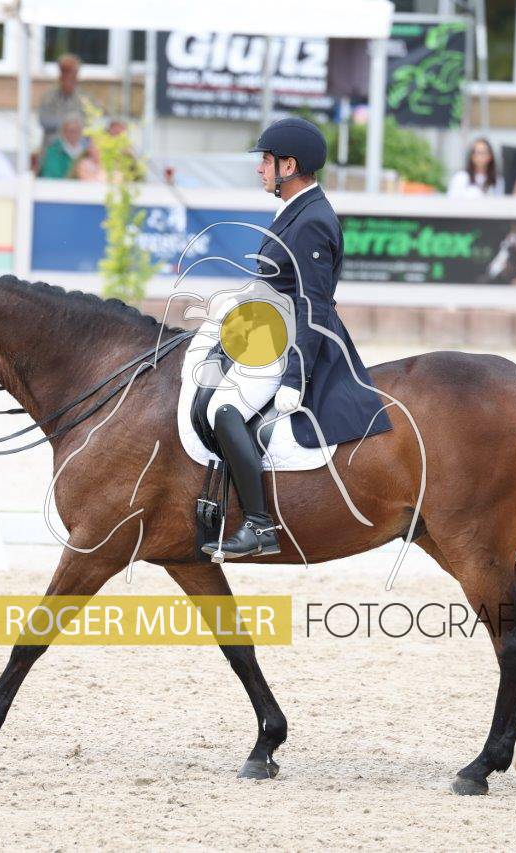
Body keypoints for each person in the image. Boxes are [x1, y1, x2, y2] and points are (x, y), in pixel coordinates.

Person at [201, 117, 392, 560]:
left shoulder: (312, 222)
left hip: (294, 344)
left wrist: (294, 377)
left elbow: (312, 304)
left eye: (266, 161)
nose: (260, 169)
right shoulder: (295, 210)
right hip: (269, 332)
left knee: (225, 409)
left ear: (289, 166)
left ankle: (259, 525)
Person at [38, 54, 94, 146]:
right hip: (53, 146)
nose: (69, 79)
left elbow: (89, 121)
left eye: (73, 75)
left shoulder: (84, 97)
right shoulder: (49, 97)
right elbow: (44, 121)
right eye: (66, 74)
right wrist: (68, 123)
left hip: (77, 148)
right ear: (60, 76)